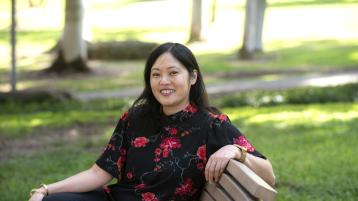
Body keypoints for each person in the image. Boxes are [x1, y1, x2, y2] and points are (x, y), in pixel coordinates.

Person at [29, 42, 275, 201]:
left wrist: (235, 150)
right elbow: (99, 173)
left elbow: (269, 176)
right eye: (156, 74)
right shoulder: (134, 118)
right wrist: (46, 189)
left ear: (192, 77)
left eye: (173, 73)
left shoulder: (212, 124)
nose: (163, 81)